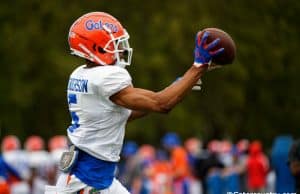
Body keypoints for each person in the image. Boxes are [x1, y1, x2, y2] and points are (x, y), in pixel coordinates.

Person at [44, 11, 224, 194]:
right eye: (114, 44)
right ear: (97, 48)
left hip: (95, 177)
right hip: (87, 182)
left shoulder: (80, 74)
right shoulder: (105, 77)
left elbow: (125, 114)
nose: (121, 49)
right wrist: (198, 66)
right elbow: (161, 104)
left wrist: (179, 85)